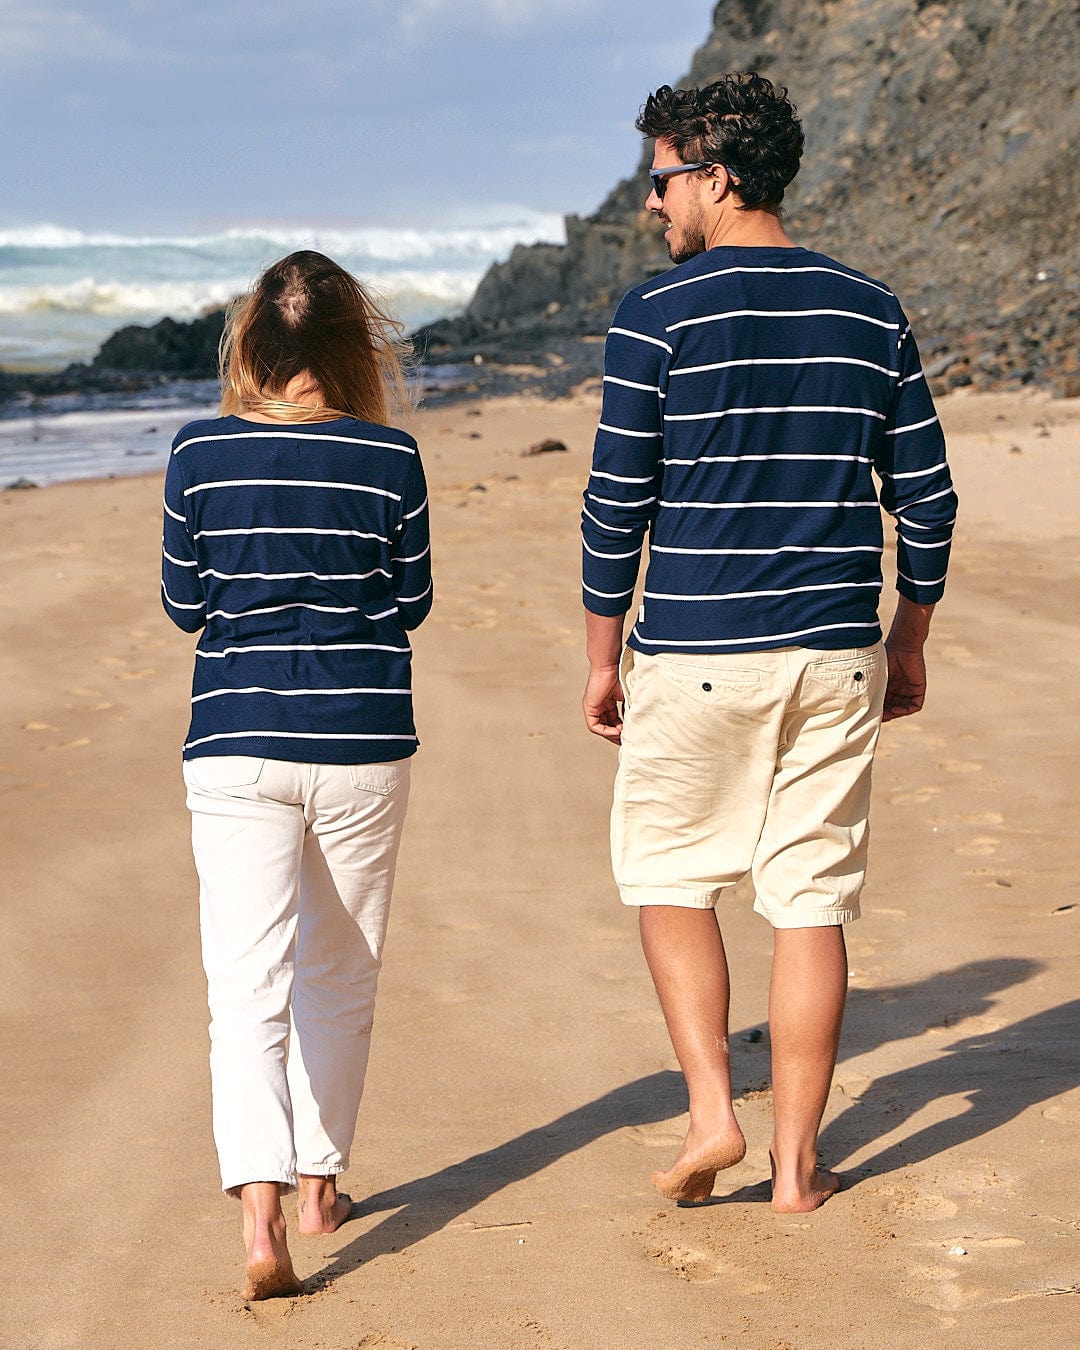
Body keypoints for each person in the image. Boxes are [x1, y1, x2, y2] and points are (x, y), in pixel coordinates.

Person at [580, 75, 956, 1212]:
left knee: (669, 879)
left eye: (662, 179)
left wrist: (602, 657)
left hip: (695, 649)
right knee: (810, 900)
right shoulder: (869, 308)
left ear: (716, 173)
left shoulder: (657, 316)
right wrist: (908, 641)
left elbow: (614, 507)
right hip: (836, 652)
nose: (652, 204)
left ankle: (710, 1115)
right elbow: (929, 500)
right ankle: (798, 1171)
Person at [162, 251, 432, 1297]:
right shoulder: (390, 457)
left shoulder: (197, 454)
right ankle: (322, 1186)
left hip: (236, 741)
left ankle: (262, 1224)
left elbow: (188, 607)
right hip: (363, 739)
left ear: (252, 347)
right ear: (347, 348)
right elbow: (410, 603)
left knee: (245, 987)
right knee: (339, 969)